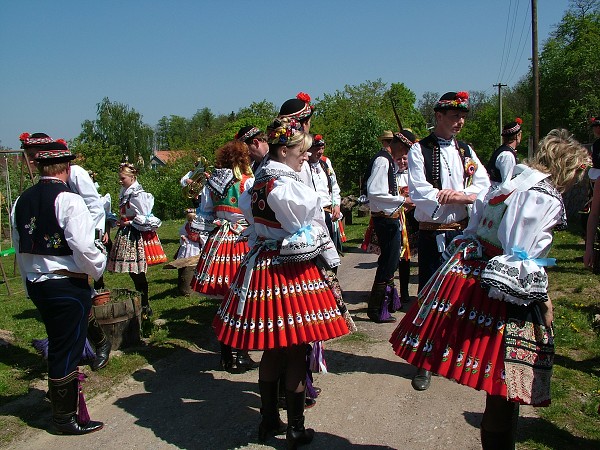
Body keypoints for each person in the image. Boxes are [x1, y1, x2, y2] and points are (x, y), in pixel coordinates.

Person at [390, 128, 589, 449]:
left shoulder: (513, 183)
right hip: (503, 290)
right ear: (566, 167)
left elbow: (480, 225)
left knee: (500, 391)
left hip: (471, 275)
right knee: (504, 387)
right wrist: (544, 299)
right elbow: (519, 254)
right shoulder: (542, 196)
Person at [212, 117, 350, 447]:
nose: (306, 156)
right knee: (297, 350)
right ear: (284, 150)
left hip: (261, 270)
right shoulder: (288, 188)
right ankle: (295, 428)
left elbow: (254, 228)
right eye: (301, 151)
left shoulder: (255, 186)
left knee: (273, 350)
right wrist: (327, 254)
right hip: (291, 272)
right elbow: (303, 229)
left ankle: (268, 420)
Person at [12, 138, 106, 434]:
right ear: (66, 166)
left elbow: (19, 246)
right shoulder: (70, 199)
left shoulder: (21, 200)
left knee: (60, 344)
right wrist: (99, 263)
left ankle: (61, 404)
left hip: (39, 283)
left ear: (40, 166)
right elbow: (83, 246)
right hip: (67, 284)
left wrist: (30, 279)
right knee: (68, 348)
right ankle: (64, 418)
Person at [407, 91, 490, 391]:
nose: (460, 121)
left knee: (458, 297)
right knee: (430, 294)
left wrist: (463, 196)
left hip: (463, 233)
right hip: (434, 232)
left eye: (463, 116)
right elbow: (418, 190)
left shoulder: (466, 150)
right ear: (439, 116)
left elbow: (483, 185)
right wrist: (453, 197)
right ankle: (423, 361)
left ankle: (446, 353)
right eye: (455, 116)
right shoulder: (420, 149)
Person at [19, 132, 112, 372]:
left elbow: (93, 205)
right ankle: (86, 349)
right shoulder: (29, 194)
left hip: (80, 237)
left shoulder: (75, 175)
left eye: (33, 157)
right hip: (59, 249)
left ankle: (96, 345)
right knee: (75, 310)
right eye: (29, 156)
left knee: (81, 302)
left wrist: (95, 238)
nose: (30, 161)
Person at [189, 140, 258, 372]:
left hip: (219, 242)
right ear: (242, 159)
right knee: (242, 299)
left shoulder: (212, 183)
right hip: (241, 241)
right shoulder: (248, 182)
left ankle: (227, 355)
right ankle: (240, 355)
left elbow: (206, 214)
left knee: (224, 302)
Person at [364, 129, 416, 323]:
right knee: (388, 263)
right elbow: (375, 192)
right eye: (406, 152)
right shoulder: (383, 160)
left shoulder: (388, 161)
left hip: (390, 217)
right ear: (401, 147)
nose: (405, 157)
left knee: (392, 261)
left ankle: (384, 304)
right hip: (385, 218)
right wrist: (402, 200)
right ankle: (376, 308)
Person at [107, 162, 166, 317]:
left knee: (137, 270)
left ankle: (145, 304)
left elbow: (145, 216)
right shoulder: (126, 191)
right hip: (126, 232)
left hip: (135, 234)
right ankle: (142, 303)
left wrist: (129, 222)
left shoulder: (137, 194)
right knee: (133, 272)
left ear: (132, 177)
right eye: (120, 178)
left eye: (123, 178)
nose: (120, 181)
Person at [307, 134, 346, 254]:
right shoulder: (303, 166)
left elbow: (334, 187)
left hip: (329, 214)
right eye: (317, 149)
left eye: (322, 148)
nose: (320, 152)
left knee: (332, 252)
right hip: (314, 217)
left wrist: (336, 205)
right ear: (308, 149)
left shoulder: (325, 164)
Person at [485, 118, 523, 185]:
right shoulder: (507, 155)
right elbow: (507, 184)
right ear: (518, 135)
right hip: (497, 193)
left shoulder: (504, 151)